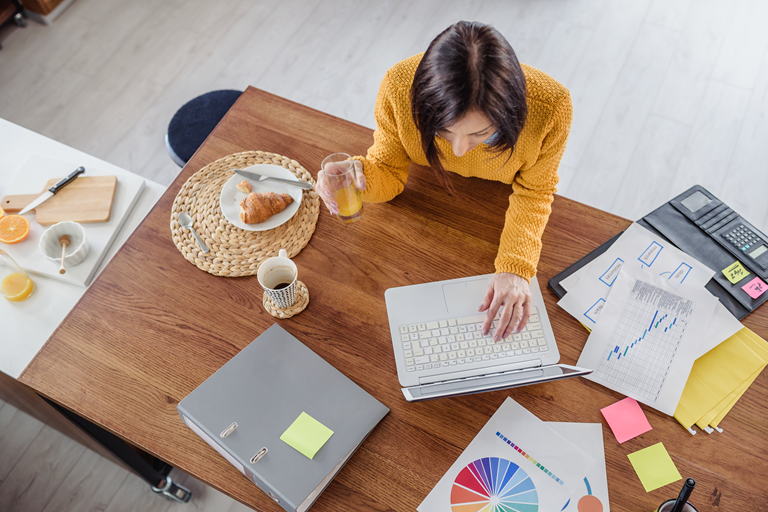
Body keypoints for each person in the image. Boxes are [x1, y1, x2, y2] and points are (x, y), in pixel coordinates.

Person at [316, 21, 572, 342]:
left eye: (481, 134)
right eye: (443, 131)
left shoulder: (551, 107)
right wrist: (358, 176)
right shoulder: (398, 87)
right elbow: (389, 174)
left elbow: (535, 191)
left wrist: (515, 267)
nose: (459, 150)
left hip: (489, 212)